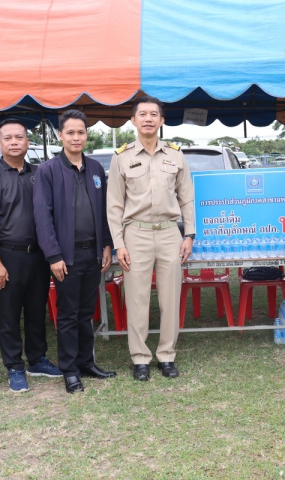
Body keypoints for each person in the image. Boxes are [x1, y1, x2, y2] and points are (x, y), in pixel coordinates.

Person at [107, 95, 195, 381]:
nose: (148, 118)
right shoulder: (122, 156)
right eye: (142, 114)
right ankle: (140, 358)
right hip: (136, 234)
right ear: (133, 120)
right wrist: (119, 243)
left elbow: (186, 197)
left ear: (161, 120)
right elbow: (114, 204)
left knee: (170, 299)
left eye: (153, 114)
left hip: (169, 233)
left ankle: (167, 355)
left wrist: (189, 234)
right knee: (137, 299)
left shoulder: (175, 155)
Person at [33, 110, 116, 394]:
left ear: (86, 135)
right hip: (65, 257)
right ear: (60, 135)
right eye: (70, 132)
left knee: (86, 313)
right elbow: (42, 217)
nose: (76, 137)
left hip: (93, 254)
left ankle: (86, 363)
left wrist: (106, 244)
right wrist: (54, 256)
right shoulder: (48, 171)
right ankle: (69, 370)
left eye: (81, 132)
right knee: (68, 315)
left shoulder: (95, 169)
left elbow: (103, 211)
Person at [0, 118, 61, 393]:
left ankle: (37, 359)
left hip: (39, 255)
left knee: (36, 310)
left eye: (19, 137)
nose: (14, 142)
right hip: (7, 256)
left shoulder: (40, 174)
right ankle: (14, 366)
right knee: (9, 315)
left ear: (27, 141)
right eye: (8, 138)